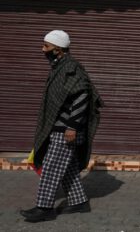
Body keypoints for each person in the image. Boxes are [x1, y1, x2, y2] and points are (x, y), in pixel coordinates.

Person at [20, 30, 103, 222]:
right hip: (60, 128)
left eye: (46, 46)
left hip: (66, 130)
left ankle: (44, 208)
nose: (43, 49)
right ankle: (79, 202)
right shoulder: (59, 67)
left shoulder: (71, 68)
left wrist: (72, 127)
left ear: (58, 49)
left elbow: (83, 96)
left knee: (51, 167)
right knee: (67, 167)